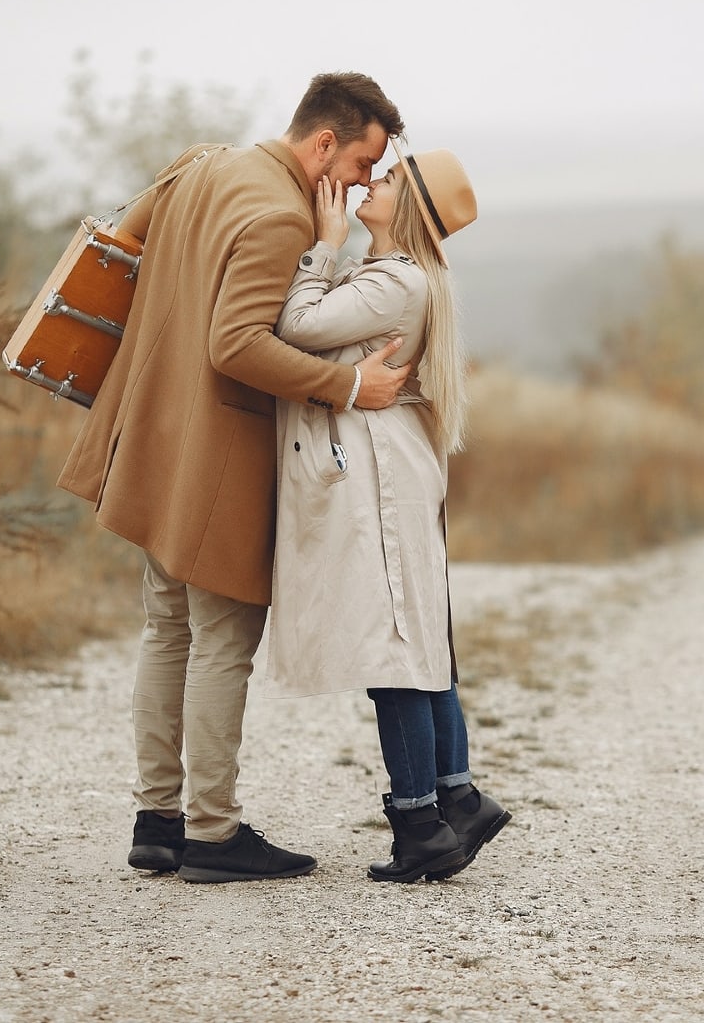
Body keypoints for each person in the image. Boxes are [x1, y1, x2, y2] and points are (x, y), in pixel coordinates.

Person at [57, 72, 410, 884]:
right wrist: (350, 385)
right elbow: (237, 344)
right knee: (220, 641)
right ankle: (213, 836)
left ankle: (157, 822)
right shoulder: (282, 215)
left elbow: (122, 248)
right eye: (361, 164)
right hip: (217, 455)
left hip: (151, 431)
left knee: (167, 630)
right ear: (324, 144)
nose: (361, 185)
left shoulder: (200, 164)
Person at [267, 142, 510, 882]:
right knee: (414, 633)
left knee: (393, 645)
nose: (374, 180)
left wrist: (324, 247)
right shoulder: (405, 278)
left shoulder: (395, 281)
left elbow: (295, 328)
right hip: (393, 462)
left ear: (412, 209)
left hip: (379, 467)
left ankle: (418, 823)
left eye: (392, 178)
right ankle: (454, 797)